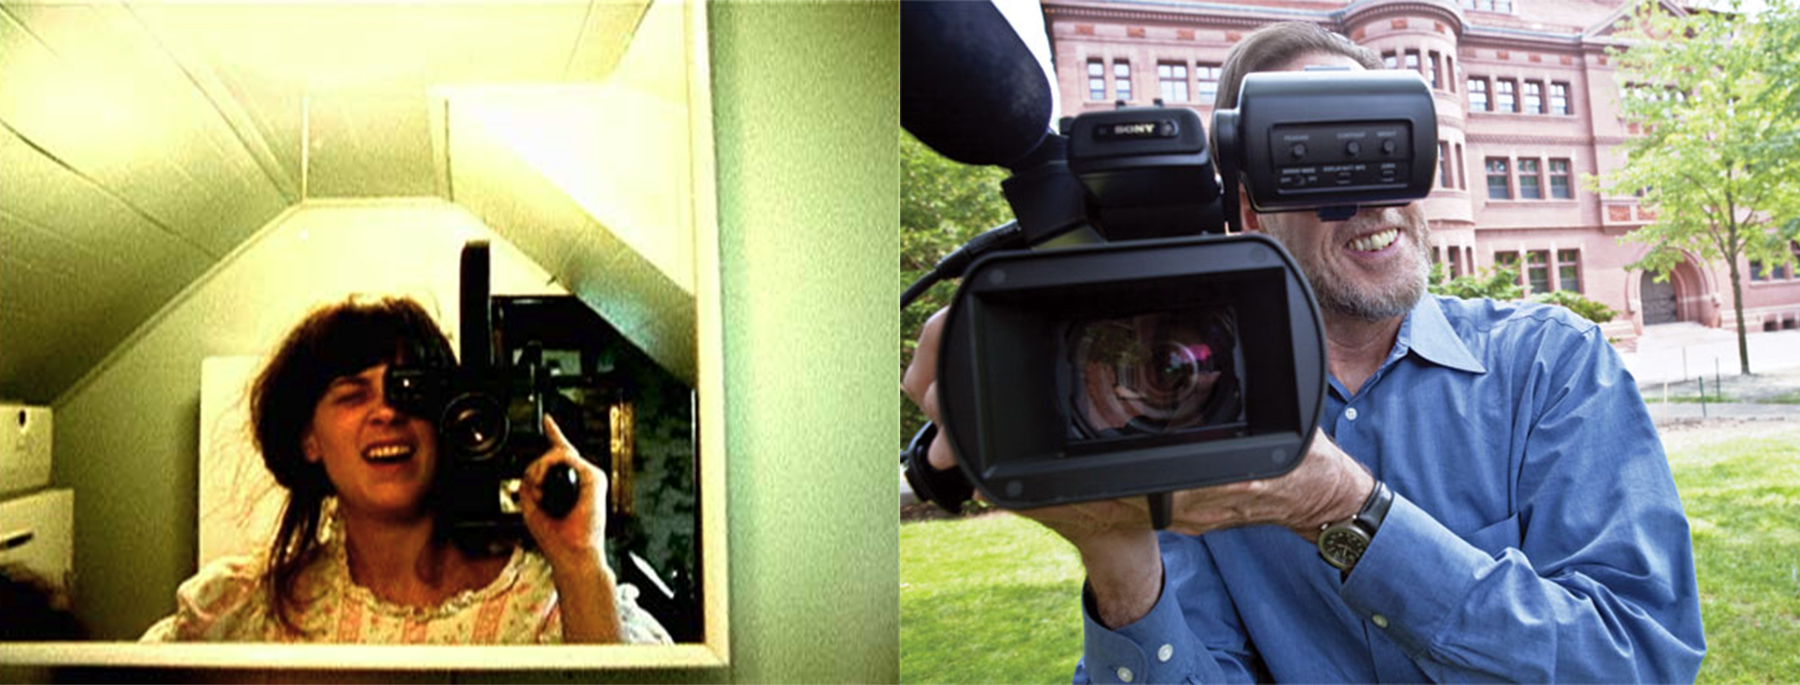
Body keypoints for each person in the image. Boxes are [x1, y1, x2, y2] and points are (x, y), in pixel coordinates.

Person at [903, 22, 1704, 683]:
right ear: (1248, 209)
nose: (1370, 192)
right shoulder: (1184, 412)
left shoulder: (1548, 367)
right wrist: (1119, 559)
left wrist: (1345, 507)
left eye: (1383, 143)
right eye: (1314, 152)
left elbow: (1640, 655)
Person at [141, 296, 670, 644]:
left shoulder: (547, 603)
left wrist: (579, 564)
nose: (388, 412)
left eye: (410, 390)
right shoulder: (246, 611)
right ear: (308, 440)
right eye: (351, 394)